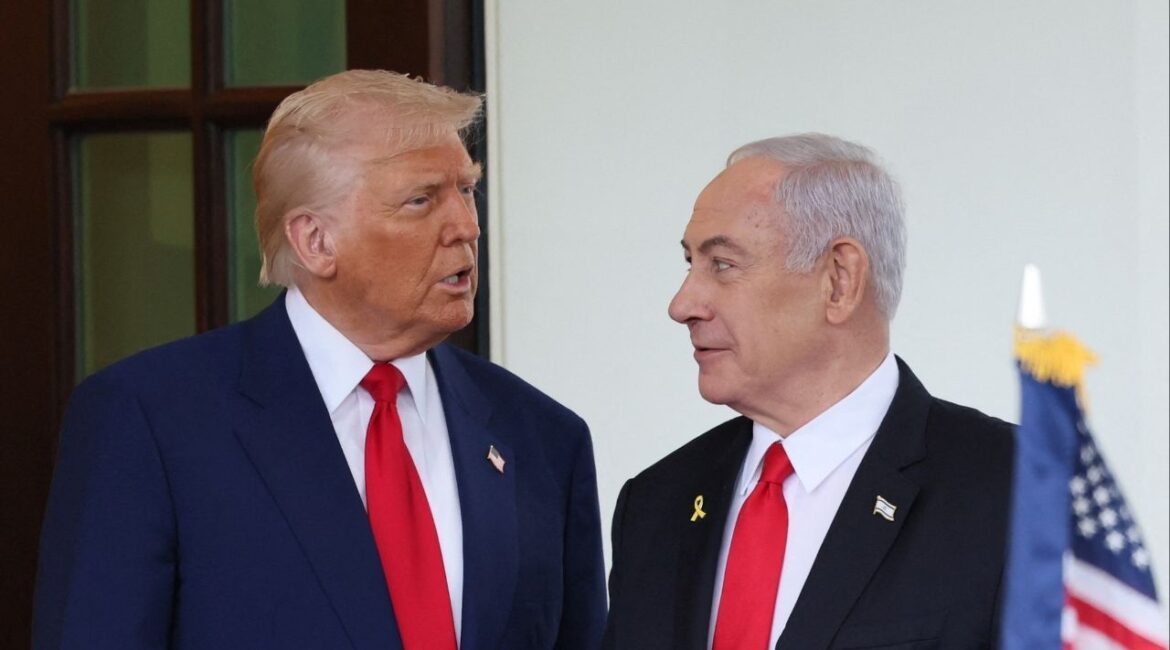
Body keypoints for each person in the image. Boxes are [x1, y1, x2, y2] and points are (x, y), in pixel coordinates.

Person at [34, 69, 606, 650]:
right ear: (316, 242)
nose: (465, 226)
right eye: (421, 200)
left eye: (466, 190)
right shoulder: (152, 420)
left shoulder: (542, 438)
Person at [602, 134, 1014, 649]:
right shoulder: (656, 504)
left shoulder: (1013, 490)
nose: (683, 303)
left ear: (839, 281)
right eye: (690, 264)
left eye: (722, 265)